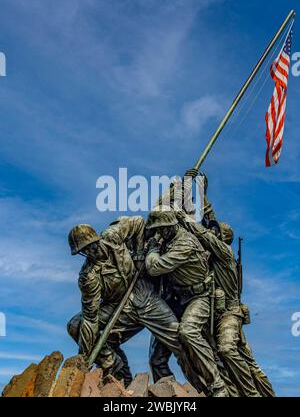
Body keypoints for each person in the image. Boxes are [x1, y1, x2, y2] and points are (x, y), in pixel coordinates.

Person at [67, 216, 203, 390]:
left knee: (181, 343)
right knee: (75, 325)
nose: (92, 251)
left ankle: (203, 387)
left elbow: (138, 222)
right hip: (119, 309)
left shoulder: (113, 235)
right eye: (85, 250)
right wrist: (85, 358)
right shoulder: (88, 277)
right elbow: (90, 318)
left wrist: (139, 252)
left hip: (146, 299)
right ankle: (116, 372)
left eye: (92, 245)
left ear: (98, 238)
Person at [178, 169, 275, 397]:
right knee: (218, 356)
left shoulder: (224, 252)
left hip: (229, 313)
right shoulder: (211, 252)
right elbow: (209, 217)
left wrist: (182, 217)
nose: (211, 230)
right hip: (215, 311)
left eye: (215, 232)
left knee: (228, 349)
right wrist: (200, 187)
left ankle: (253, 394)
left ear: (222, 237)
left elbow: (205, 232)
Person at [145, 208, 228, 397]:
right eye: (158, 230)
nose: (160, 233)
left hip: (199, 297)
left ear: (172, 225)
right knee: (156, 357)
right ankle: (169, 394)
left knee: (188, 331)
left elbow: (155, 267)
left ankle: (218, 386)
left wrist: (152, 249)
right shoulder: (167, 241)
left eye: (164, 229)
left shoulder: (185, 243)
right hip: (176, 298)